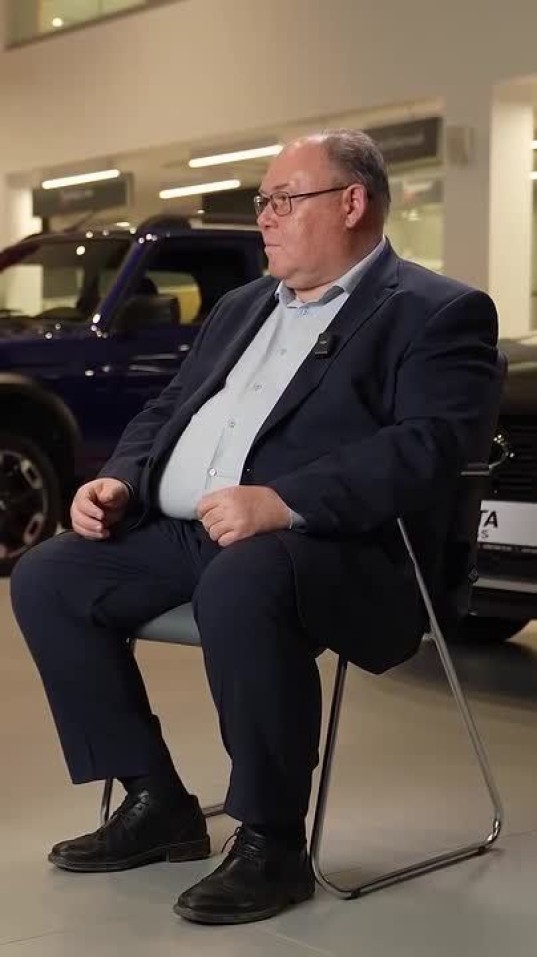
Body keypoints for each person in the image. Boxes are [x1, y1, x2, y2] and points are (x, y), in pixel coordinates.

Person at [10, 130, 499, 926]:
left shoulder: (437, 311)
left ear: (352, 202)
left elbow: (430, 447)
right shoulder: (243, 306)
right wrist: (120, 478)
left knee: (245, 577)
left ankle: (272, 840)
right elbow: (169, 408)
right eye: (262, 201)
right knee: (49, 575)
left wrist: (282, 500)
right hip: (190, 534)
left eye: (283, 199)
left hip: (340, 547)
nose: (264, 216)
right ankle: (155, 801)